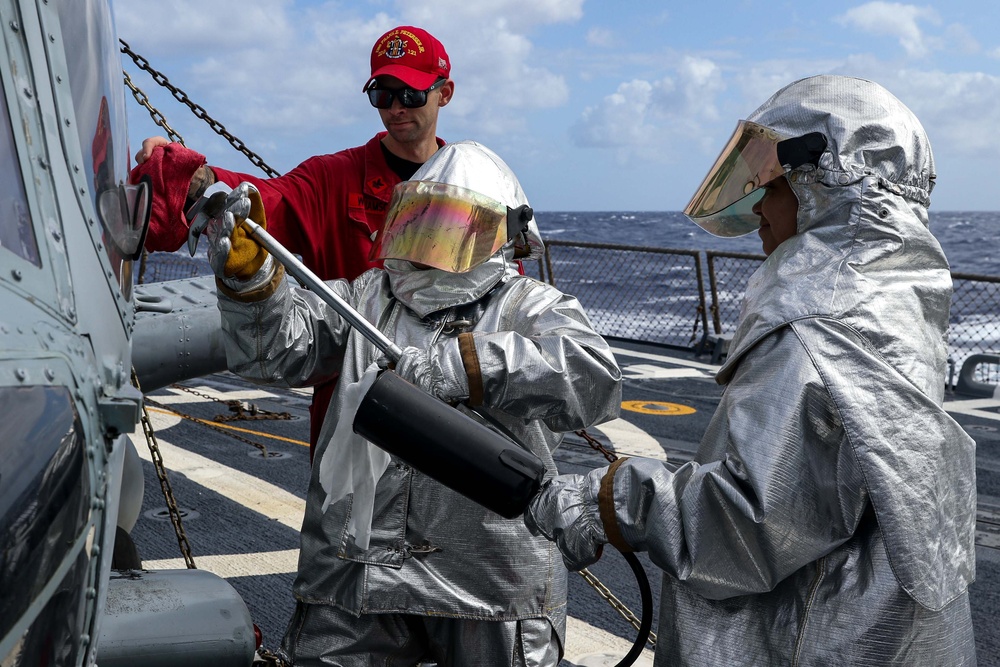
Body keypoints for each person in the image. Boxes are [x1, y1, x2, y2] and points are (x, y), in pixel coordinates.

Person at [525, 75, 978, 665]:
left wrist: (606, 500)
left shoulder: (817, 322)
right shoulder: (890, 298)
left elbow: (752, 523)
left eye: (774, 186)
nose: (760, 206)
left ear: (822, 183)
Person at [199, 140, 623, 665]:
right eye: (425, 221)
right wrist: (253, 283)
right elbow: (275, 353)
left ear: (504, 233)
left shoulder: (529, 306)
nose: (434, 241)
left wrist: (465, 365)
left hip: (492, 583)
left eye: (453, 227)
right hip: (357, 571)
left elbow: (594, 376)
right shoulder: (368, 297)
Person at [130, 25, 454, 455]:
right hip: (353, 417)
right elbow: (267, 199)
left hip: (451, 411)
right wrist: (194, 180)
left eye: (410, 94)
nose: (395, 108)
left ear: (444, 93)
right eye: (383, 94)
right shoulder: (334, 178)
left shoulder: (468, 192)